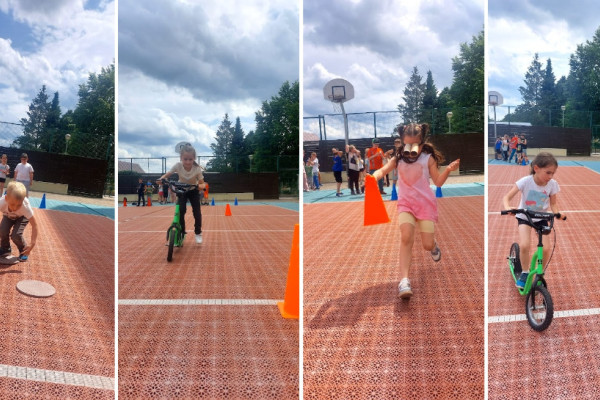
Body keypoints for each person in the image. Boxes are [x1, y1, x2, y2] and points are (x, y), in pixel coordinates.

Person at [371, 123, 460, 298]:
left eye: (415, 144)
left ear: (421, 143)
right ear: (403, 142)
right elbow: (382, 170)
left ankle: (433, 246)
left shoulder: (428, 158)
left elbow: (438, 182)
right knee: (406, 237)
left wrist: (449, 170)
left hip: (425, 204)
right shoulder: (398, 158)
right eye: (407, 144)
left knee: (427, 244)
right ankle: (404, 280)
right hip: (406, 204)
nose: (411, 148)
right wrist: (373, 177)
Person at [502, 152, 566, 288]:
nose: (550, 176)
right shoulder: (525, 181)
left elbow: (554, 204)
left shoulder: (552, 184)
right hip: (525, 217)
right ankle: (525, 272)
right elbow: (506, 197)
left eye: (553, 173)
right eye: (548, 172)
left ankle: (539, 272)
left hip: (542, 218)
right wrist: (508, 208)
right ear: (536, 168)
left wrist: (558, 213)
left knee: (546, 248)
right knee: (525, 245)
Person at [159, 144, 205, 244]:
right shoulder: (178, 165)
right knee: (181, 210)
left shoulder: (197, 169)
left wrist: (200, 186)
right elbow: (168, 174)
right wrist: (161, 179)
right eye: (185, 159)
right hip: (181, 190)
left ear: (194, 158)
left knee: (197, 212)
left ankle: (198, 232)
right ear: (181, 158)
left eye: (190, 159)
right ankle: (182, 231)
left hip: (193, 190)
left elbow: (202, 183)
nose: (188, 162)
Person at [0, 181, 38, 261]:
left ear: (23, 200)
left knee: (16, 235)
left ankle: (23, 251)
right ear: (6, 198)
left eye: (19, 205)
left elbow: (34, 225)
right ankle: (5, 249)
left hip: (22, 217)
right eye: (12, 204)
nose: (15, 208)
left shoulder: (25, 207)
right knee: (2, 230)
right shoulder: (1, 202)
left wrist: (32, 243)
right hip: (8, 215)